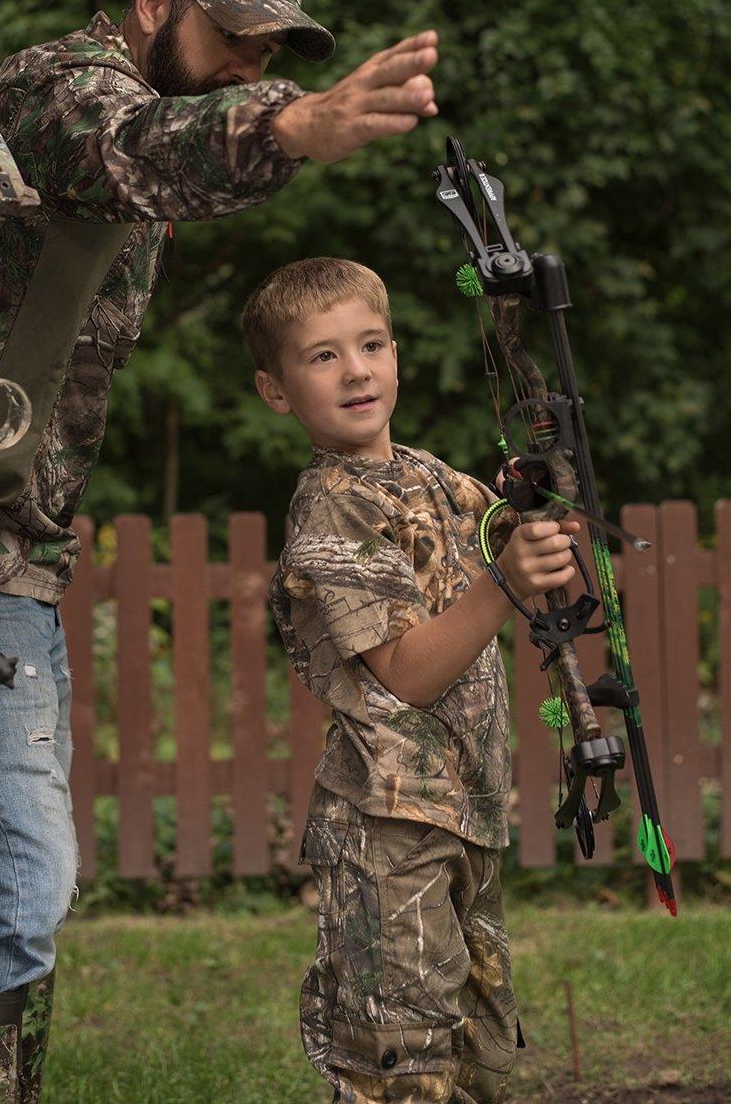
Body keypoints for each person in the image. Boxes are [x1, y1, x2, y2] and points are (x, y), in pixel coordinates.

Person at [0, 0, 440, 1101]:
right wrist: (296, 126)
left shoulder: (141, 118)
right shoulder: (56, 91)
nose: (253, 67)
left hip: (3, 541)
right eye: (235, 38)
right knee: (13, 873)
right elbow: (139, 144)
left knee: (24, 873)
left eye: (274, 53)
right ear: (154, 2)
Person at [242, 257, 580, 1104]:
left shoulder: (425, 474)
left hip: (463, 810)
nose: (355, 369)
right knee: (402, 1058)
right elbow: (407, 673)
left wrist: (544, 491)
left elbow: (508, 511)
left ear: (397, 355)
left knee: (480, 1047)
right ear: (275, 390)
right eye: (321, 356)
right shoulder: (331, 508)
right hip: (387, 830)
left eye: (371, 344)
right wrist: (505, 578)